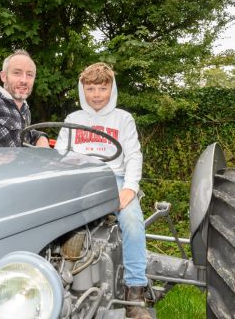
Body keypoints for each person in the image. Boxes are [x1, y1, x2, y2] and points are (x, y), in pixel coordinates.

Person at [54, 62, 150, 319]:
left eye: (102, 88)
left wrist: (129, 188)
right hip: (80, 179)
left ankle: (135, 293)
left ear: (112, 89)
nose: (96, 94)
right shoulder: (73, 119)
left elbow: (133, 156)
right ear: (82, 89)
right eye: (91, 88)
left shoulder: (123, 118)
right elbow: (60, 154)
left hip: (114, 178)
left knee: (131, 221)